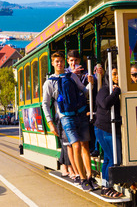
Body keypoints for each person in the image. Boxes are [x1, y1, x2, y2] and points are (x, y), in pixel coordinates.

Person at [41, 52, 99, 191]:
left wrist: (91, 84)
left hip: (80, 114)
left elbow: (84, 91)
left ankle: (89, 176)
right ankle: (82, 178)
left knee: (85, 145)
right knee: (76, 146)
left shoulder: (72, 76)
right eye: (57, 62)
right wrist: (50, 123)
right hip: (66, 117)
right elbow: (45, 104)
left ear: (64, 62)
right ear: (53, 63)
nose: (59, 64)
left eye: (61, 61)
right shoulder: (49, 82)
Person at [94, 67, 124, 198]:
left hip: (114, 128)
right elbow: (105, 104)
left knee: (107, 158)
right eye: (114, 74)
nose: (117, 76)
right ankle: (108, 187)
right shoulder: (104, 90)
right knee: (114, 158)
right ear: (108, 76)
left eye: (118, 74)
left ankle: (105, 186)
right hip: (105, 129)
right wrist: (116, 91)